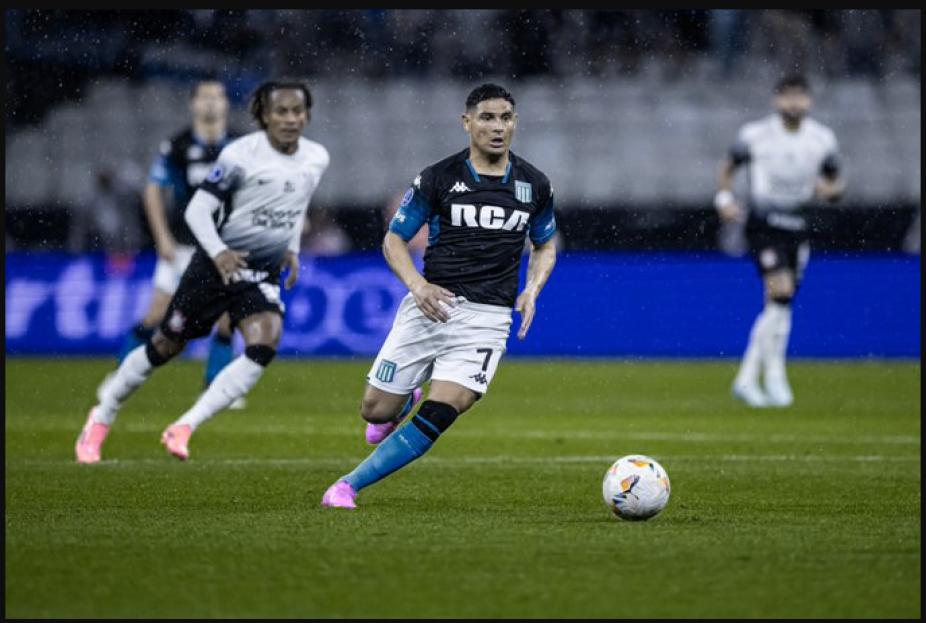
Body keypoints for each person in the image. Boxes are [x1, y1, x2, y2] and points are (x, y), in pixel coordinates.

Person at [321, 83, 558, 509]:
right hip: (431, 306)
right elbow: (394, 239)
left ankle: (347, 486)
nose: (497, 127)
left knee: (447, 407)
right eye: (487, 117)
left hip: (488, 318)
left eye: (505, 118)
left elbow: (545, 244)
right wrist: (418, 285)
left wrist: (532, 288)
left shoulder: (534, 184)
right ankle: (402, 401)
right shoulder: (438, 178)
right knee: (375, 411)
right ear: (467, 123)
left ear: (515, 123)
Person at [75, 80, 330, 463]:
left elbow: (297, 202)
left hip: (259, 271)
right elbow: (197, 210)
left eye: (298, 111)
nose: (290, 119)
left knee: (265, 341)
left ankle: (184, 426)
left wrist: (292, 248)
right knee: (165, 345)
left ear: (307, 115)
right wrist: (219, 252)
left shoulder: (316, 157)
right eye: (281, 111)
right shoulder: (239, 155)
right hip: (212, 267)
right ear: (264, 115)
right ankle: (102, 414)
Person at [102, 79, 245, 408]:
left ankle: (214, 386)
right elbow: (153, 190)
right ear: (193, 104)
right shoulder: (176, 146)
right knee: (158, 314)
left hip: (223, 245)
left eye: (217, 97)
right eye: (205, 97)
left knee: (228, 316)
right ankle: (120, 375)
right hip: (182, 244)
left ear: (226, 104)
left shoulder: (240, 145)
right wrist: (162, 237)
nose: (211, 103)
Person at [715, 74, 844, 408]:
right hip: (764, 224)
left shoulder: (822, 139)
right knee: (781, 292)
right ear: (776, 100)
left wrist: (830, 191)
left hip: (798, 225)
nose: (793, 102)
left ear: (809, 101)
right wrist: (724, 199)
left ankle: (750, 377)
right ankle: (773, 376)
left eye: (799, 96)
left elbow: (835, 182)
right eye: (787, 96)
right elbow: (728, 168)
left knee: (779, 307)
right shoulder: (755, 135)